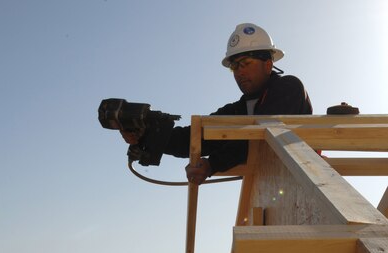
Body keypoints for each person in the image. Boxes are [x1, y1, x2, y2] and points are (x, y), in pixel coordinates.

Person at [121, 23, 312, 185]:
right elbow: (194, 138)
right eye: (234, 67)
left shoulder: (289, 88)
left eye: (245, 63)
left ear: (268, 64)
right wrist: (146, 136)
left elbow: (262, 136)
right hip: (269, 189)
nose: (239, 72)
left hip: (310, 183)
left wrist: (213, 164)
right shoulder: (237, 111)